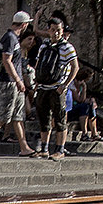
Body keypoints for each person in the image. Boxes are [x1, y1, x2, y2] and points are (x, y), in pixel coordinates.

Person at [0, 11, 35, 156]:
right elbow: (6, 60)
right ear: (23, 24)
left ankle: (24, 147)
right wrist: (18, 80)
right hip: (9, 82)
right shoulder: (10, 38)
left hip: (14, 82)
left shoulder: (12, 38)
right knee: (4, 115)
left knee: (18, 116)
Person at [32, 17, 78, 161]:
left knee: (60, 119)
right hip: (43, 87)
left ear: (62, 30)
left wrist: (64, 85)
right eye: (53, 30)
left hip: (57, 88)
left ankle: (59, 149)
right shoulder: (44, 46)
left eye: (58, 30)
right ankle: (44, 148)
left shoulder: (67, 47)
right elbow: (38, 64)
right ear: (48, 30)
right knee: (44, 118)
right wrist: (37, 81)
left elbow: (75, 67)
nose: (56, 33)